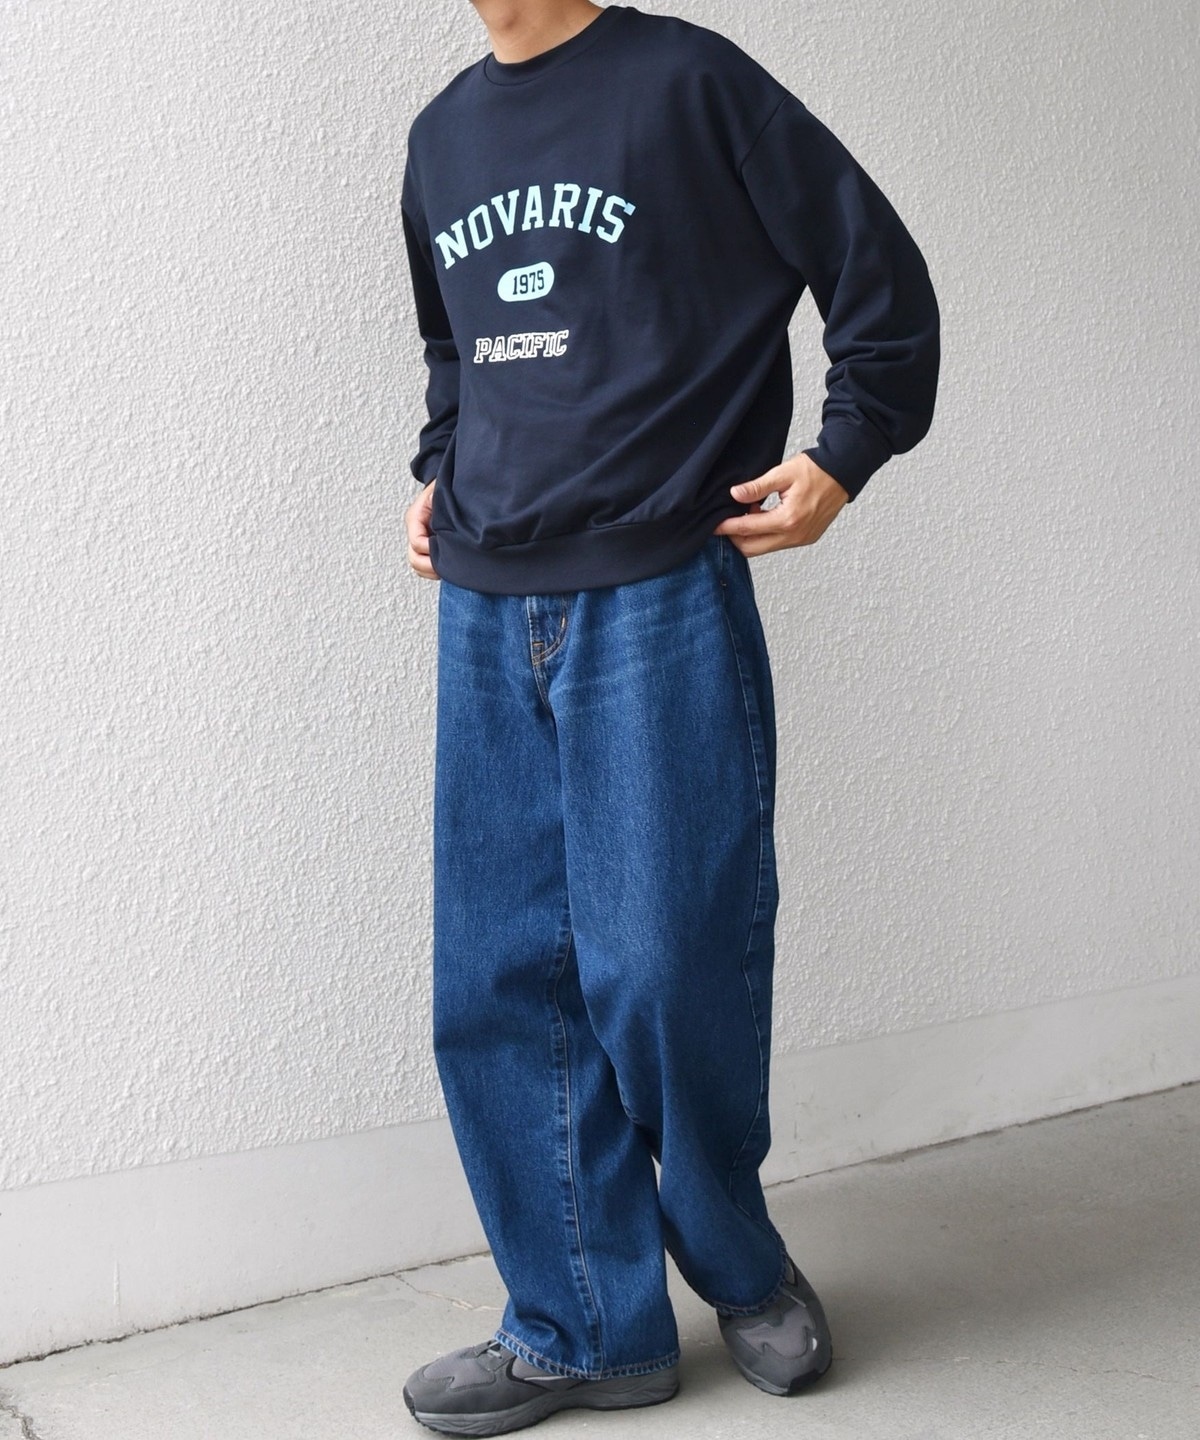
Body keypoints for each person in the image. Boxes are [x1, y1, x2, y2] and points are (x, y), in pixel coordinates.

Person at [398, 1, 939, 1433]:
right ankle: (582, 1327)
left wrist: (845, 452)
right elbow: (456, 348)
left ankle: (735, 1256)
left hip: (655, 592)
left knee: (665, 960)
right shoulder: (441, 136)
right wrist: (442, 468)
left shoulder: (690, 83)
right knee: (501, 985)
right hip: (483, 607)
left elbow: (875, 271)